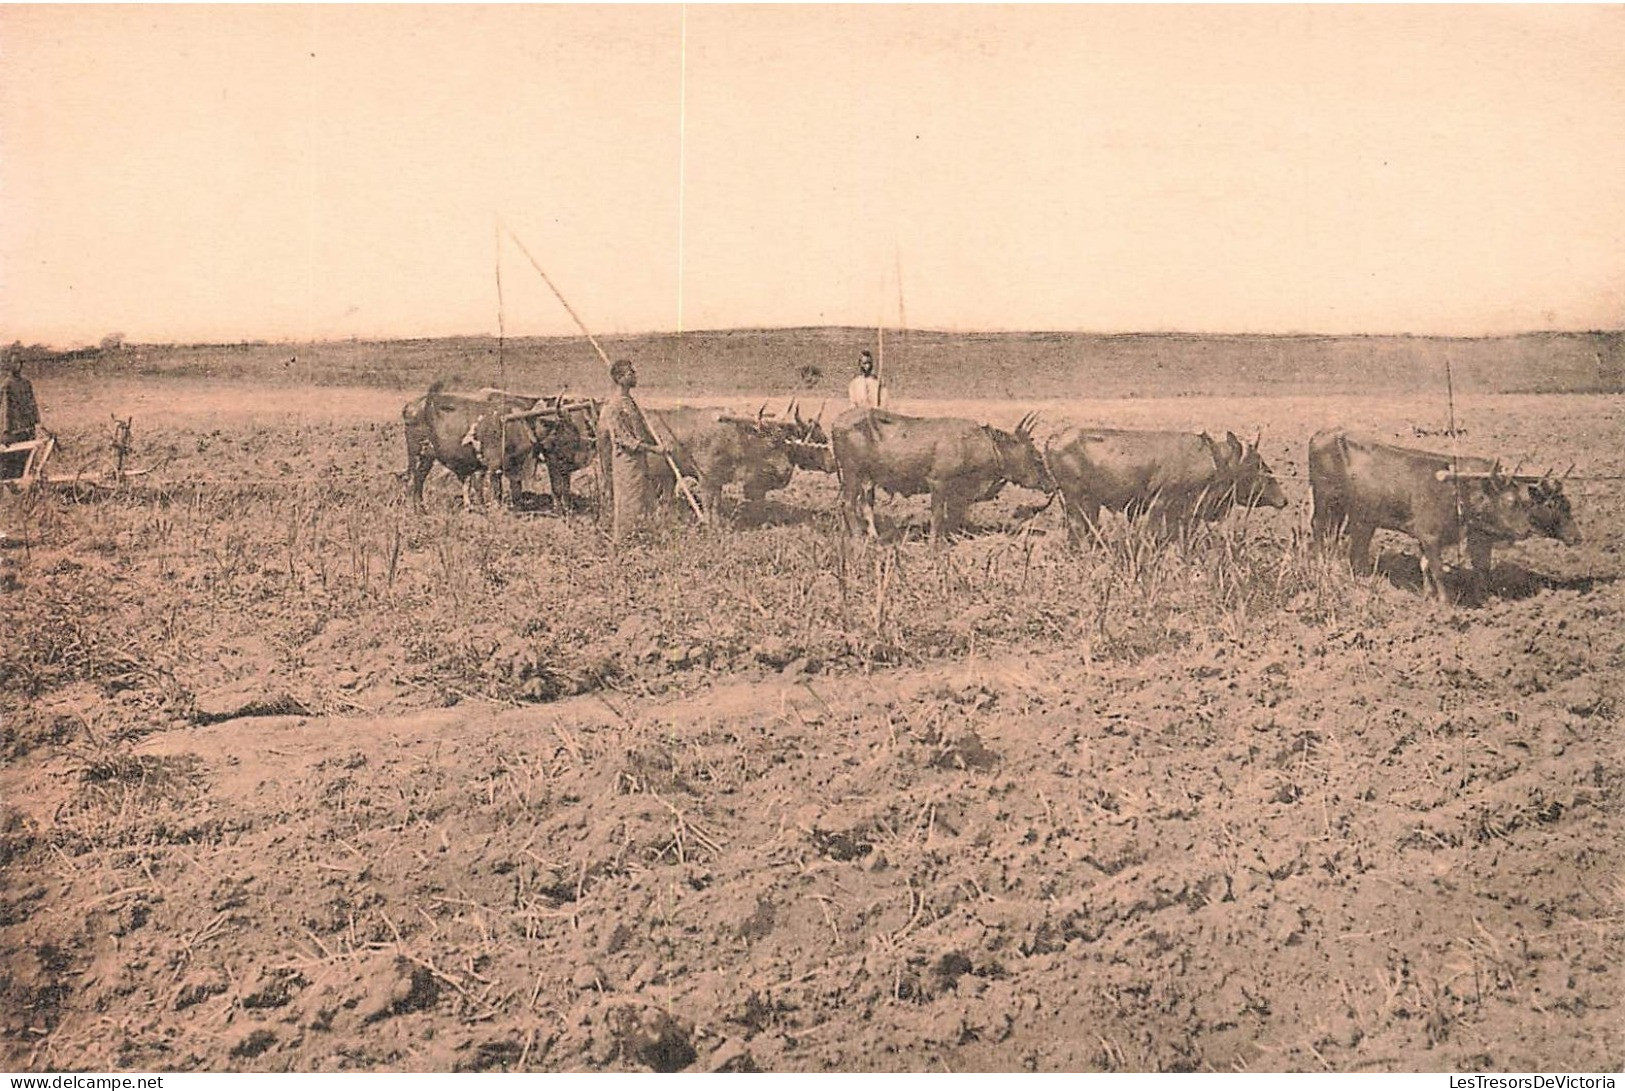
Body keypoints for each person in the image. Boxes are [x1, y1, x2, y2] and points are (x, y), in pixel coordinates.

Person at [599, 359, 665, 539]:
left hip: (639, 461)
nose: (635, 375)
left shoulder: (630, 402)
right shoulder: (614, 406)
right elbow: (623, 439)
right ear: (620, 378)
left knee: (645, 499)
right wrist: (653, 449)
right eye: (630, 373)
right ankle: (622, 543)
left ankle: (644, 538)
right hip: (626, 462)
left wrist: (655, 442)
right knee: (629, 501)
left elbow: (641, 430)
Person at [0, 358, 40, 479]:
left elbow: (32, 403)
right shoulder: (6, 385)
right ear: (9, 366)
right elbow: (5, 409)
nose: (17, 366)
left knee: (27, 457)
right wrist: (6, 430)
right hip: (14, 429)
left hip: (27, 428)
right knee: (11, 459)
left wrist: (36, 421)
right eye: (14, 363)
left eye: (19, 363)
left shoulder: (26, 383)